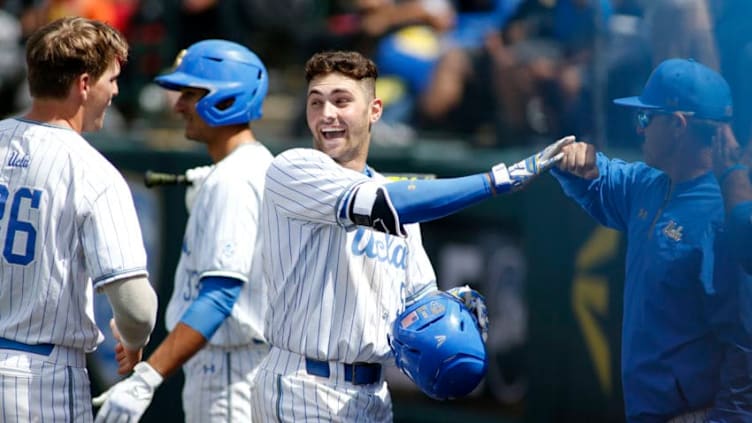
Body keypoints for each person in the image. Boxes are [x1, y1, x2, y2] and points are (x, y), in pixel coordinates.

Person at [249, 49, 572, 422]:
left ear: (374, 111)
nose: (327, 115)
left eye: (341, 101)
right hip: (302, 386)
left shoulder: (399, 202)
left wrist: (449, 306)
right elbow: (388, 203)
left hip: (372, 395)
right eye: (316, 102)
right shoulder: (293, 168)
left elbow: (416, 299)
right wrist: (494, 181)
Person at [551, 57, 752, 422]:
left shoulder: (727, 217)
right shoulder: (649, 183)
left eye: (646, 118)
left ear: (677, 126)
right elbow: (599, 181)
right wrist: (577, 161)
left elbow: (745, 341)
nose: (639, 129)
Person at [92, 39, 274, 422]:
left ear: (226, 98)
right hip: (238, 366)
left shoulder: (234, 179)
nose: (178, 106)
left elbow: (220, 297)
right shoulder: (247, 168)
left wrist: (147, 377)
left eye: (191, 94)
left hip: (228, 371)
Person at [0, 16, 158, 422]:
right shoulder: (93, 171)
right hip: (39, 380)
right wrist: (134, 339)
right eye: (111, 79)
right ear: (84, 84)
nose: (116, 90)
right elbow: (136, 307)